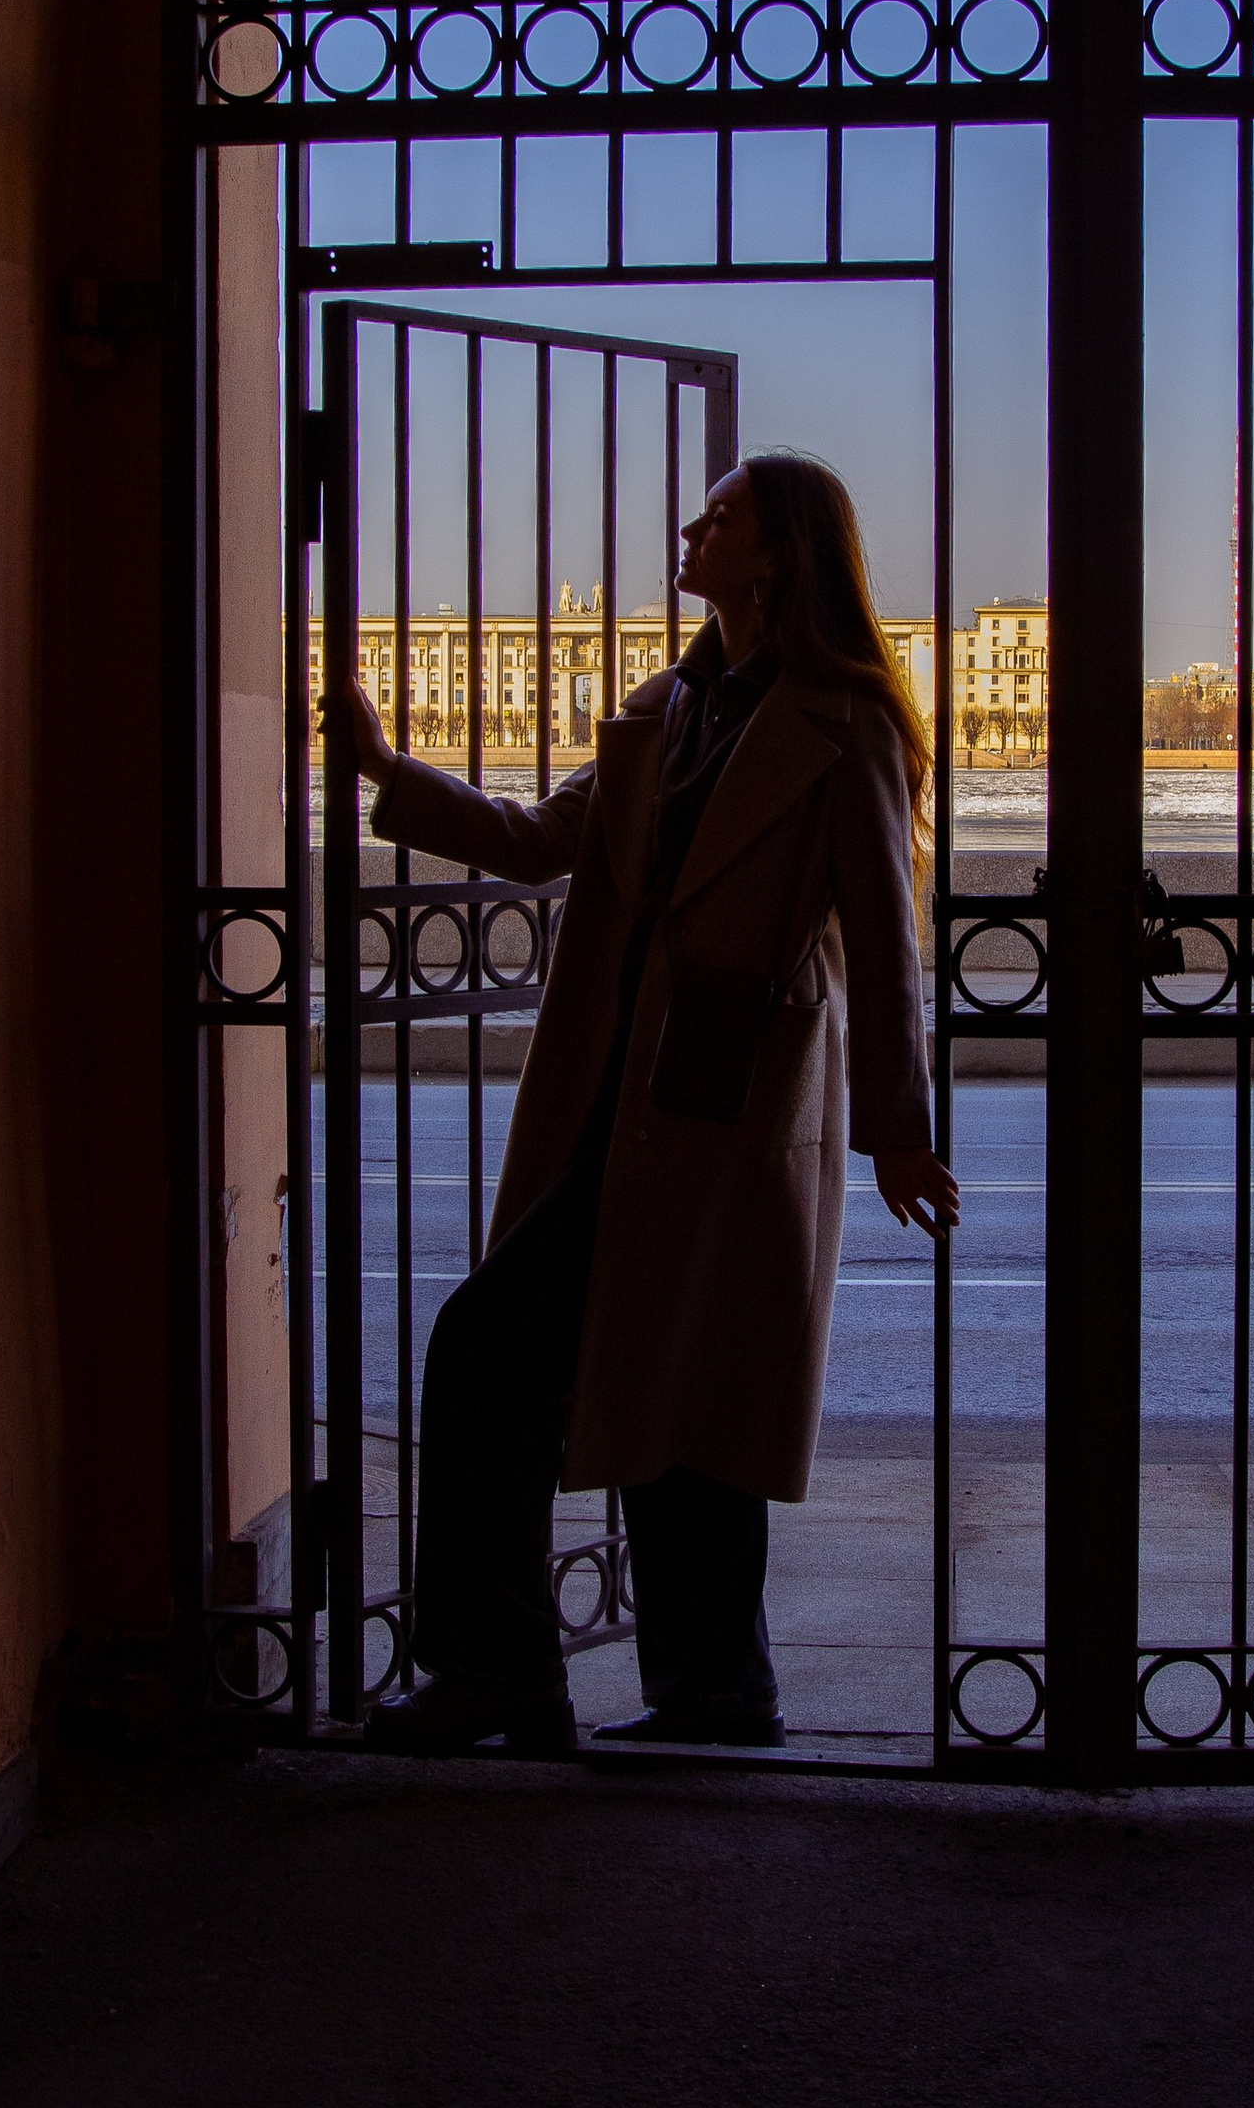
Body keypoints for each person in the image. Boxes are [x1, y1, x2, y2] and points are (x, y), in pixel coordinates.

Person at [348, 451, 959, 1755]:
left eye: (722, 514)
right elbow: (533, 837)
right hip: (619, 1095)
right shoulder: (666, 706)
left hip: (733, 1097)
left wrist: (896, 1127)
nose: (695, 528)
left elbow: (887, 939)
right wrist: (386, 774)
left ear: (780, 550)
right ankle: (659, 1685)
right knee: (578, 1369)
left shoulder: (839, 722)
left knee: (659, 1389)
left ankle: (612, 1682)